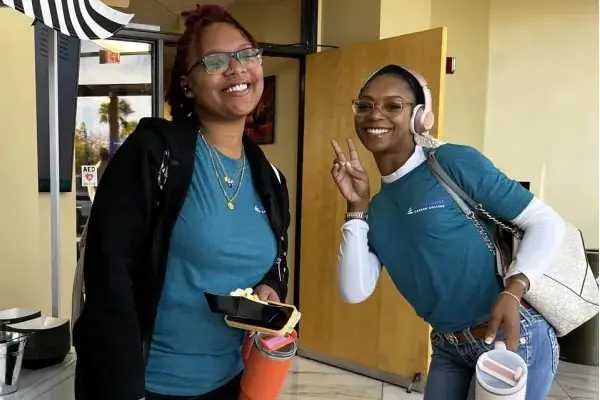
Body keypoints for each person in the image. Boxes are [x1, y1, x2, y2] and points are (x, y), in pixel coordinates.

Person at [73, 5, 290, 400]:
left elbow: (276, 260)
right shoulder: (153, 154)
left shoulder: (270, 178)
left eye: (246, 54)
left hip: (232, 378)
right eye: (216, 61)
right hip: (151, 383)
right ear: (188, 84)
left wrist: (270, 286)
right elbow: (108, 274)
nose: (238, 69)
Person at [331, 64, 565, 400]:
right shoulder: (378, 207)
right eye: (365, 105)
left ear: (420, 116)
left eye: (393, 106)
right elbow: (354, 291)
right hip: (447, 346)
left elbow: (545, 222)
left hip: (510, 334)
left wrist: (514, 290)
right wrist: (356, 207)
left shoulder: (451, 162)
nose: (374, 115)